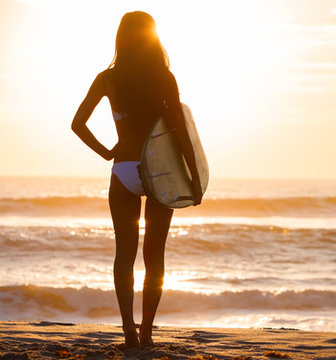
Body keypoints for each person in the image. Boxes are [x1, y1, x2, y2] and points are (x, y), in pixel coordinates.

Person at [71, 11, 203, 348]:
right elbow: (181, 132)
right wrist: (194, 179)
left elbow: (78, 124)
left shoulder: (108, 79)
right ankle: (147, 332)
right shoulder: (165, 78)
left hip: (125, 170)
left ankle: (128, 329)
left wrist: (106, 152)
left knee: (124, 254)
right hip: (161, 173)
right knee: (154, 255)